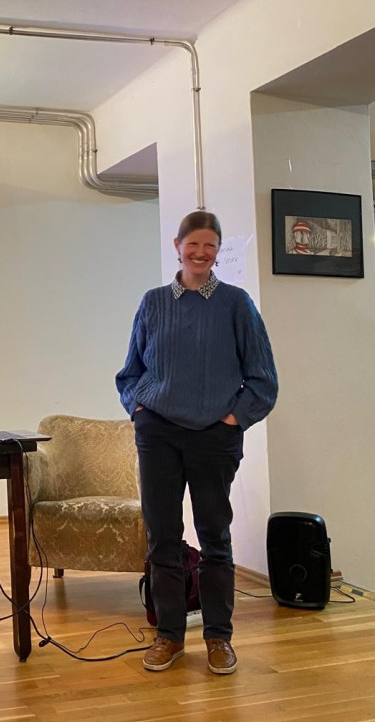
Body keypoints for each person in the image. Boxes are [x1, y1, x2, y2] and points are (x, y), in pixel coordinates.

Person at [116, 210, 277, 675]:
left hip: (214, 438)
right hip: (158, 434)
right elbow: (130, 372)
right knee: (162, 538)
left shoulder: (236, 304)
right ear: (178, 246)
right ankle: (168, 636)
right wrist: (139, 409)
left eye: (210, 246)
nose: (201, 253)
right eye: (194, 244)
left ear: (218, 250)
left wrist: (232, 421)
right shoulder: (153, 303)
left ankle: (218, 638)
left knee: (215, 538)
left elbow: (263, 379)